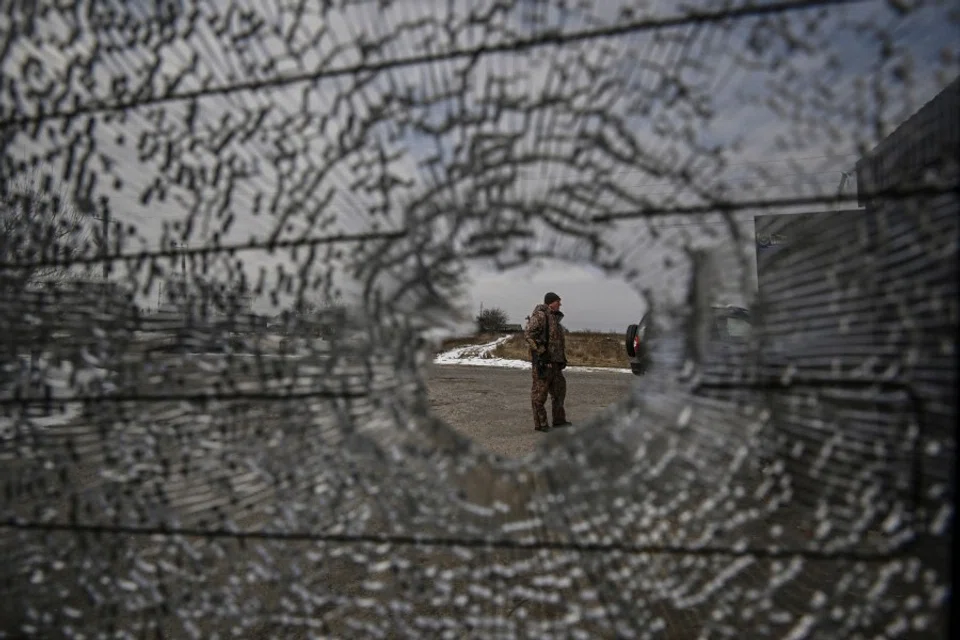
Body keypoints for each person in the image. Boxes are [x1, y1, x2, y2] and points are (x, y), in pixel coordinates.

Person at [524, 291, 571, 433]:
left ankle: (559, 420)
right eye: (558, 301)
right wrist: (541, 353)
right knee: (540, 394)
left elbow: (556, 341)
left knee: (559, 392)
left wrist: (562, 359)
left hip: (556, 363)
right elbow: (528, 334)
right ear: (551, 302)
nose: (560, 304)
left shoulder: (554, 318)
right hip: (543, 363)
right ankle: (541, 423)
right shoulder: (540, 315)